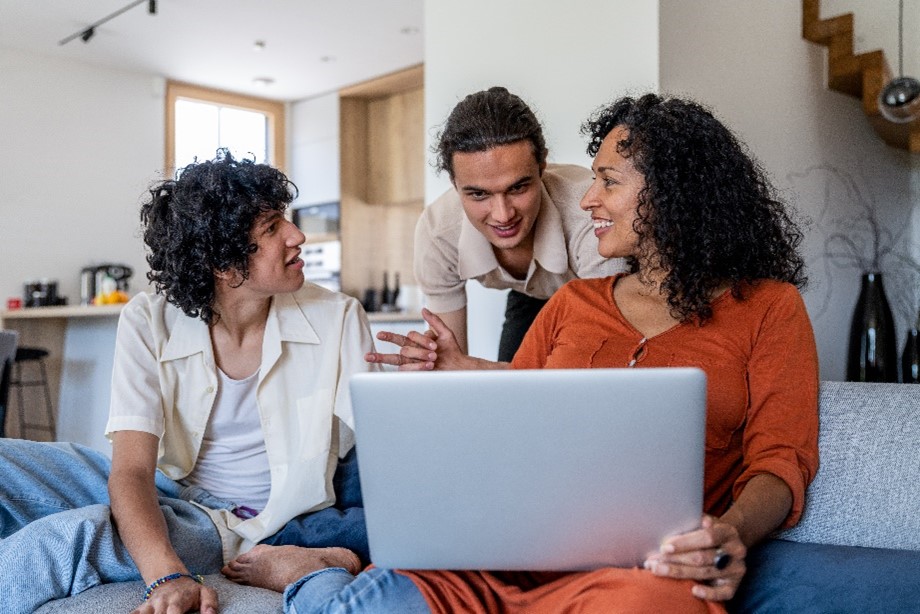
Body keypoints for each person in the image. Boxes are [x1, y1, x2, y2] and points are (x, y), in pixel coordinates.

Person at [258, 93, 820, 612]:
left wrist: (732, 532)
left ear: (676, 191)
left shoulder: (769, 308)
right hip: (496, 560)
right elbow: (509, 430)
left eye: (609, 181)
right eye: (592, 179)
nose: (588, 196)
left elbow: (780, 460)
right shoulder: (573, 302)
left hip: (638, 573)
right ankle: (314, 573)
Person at [0, 151, 377, 614]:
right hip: (169, 487)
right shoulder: (147, 318)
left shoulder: (338, 317)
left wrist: (348, 548)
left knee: (68, 537)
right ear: (222, 264)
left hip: (236, 524)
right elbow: (132, 471)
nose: (297, 236)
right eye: (273, 228)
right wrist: (167, 575)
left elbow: (384, 456)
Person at [410, 86, 624, 363]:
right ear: (454, 184)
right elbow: (451, 367)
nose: (502, 215)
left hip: (593, 292)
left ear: (543, 164)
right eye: (479, 194)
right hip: (527, 294)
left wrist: (475, 369)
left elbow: (593, 367)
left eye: (518, 188)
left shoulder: (592, 215)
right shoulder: (437, 232)